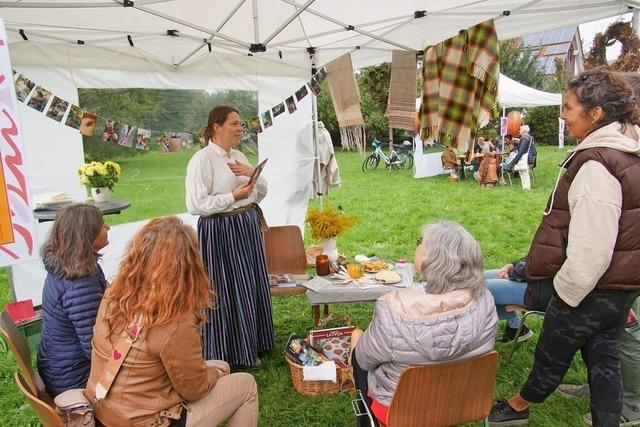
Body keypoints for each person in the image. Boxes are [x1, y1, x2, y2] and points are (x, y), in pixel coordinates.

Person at [489, 68, 640, 426]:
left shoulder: (598, 164)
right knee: (604, 358)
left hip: (589, 287)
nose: (563, 115)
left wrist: (566, 294)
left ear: (596, 113)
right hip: (619, 287)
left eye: (569, 108)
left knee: (551, 355)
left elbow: (591, 252)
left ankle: (516, 407)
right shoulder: (627, 153)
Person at [84, 216, 259, 426]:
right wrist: (212, 374)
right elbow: (194, 389)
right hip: (146, 420)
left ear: (138, 255)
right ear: (188, 264)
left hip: (105, 410)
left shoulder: (114, 294)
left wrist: (211, 371)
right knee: (245, 384)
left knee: (220, 365)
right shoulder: (174, 318)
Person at [351, 220, 498, 426]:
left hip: (401, 411)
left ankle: (367, 420)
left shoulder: (394, 308)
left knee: (357, 347)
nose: (418, 245)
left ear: (431, 259)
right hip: (462, 401)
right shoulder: (486, 300)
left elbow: (365, 361)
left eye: (422, 242)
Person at [185, 105, 274, 367]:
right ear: (217, 127)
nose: (240, 128)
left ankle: (254, 342)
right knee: (223, 288)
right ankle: (226, 351)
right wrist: (232, 197)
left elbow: (260, 192)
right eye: (234, 123)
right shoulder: (202, 160)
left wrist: (252, 175)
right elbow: (195, 204)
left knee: (250, 283)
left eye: (240, 124)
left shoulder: (239, 156)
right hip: (220, 231)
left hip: (246, 225)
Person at [37, 205, 109, 397]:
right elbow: (96, 348)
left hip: (58, 365)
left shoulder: (66, 265)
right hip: (74, 379)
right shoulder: (80, 284)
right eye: (102, 226)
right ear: (86, 236)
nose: (108, 227)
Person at [484, 259, 533, 343]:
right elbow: (530, 258)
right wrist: (510, 266)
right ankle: (516, 327)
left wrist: (514, 276)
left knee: (483, 289)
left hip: (540, 291)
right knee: (485, 276)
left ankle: (477, 335)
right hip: (528, 279)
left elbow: (544, 271)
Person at [503, 125, 533, 190]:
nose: (519, 131)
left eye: (520, 129)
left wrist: (515, 161)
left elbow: (521, 151)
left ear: (524, 130)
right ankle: (526, 187)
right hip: (525, 156)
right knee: (524, 172)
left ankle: (526, 188)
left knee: (523, 172)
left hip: (523, 157)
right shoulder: (528, 137)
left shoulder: (524, 138)